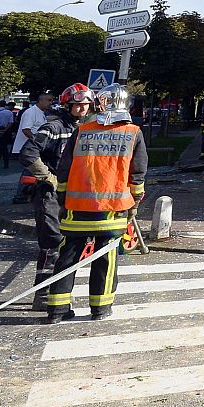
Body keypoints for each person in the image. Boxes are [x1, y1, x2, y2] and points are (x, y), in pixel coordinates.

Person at [44, 84, 147, 323]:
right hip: (112, 209)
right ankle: (100, 308)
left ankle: (57, 310)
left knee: (67, 256)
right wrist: (136, 201)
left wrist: (62, 198)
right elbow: (138, 173)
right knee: (106, 258)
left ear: (98, 104)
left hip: (76, 207)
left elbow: (64, 169)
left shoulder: (82, 130)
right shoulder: (132, 132)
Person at [19, 84, 90, 307]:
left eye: (86, 105)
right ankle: (41, 293)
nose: (82, 109)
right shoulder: (52, 127)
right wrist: (49, 178)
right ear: (68, 105)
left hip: (74, 194)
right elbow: (28, 154)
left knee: (70, 243)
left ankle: (59, 292)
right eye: (78, 105)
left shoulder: (87, 129)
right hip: (49, 193)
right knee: (52, 242)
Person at [12, 91, 56, 202]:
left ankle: (27, 195)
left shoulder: (41, 112)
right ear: (41, 100)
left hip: (33, 149)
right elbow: (26, 130)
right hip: (28, 149)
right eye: (49, 100)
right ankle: (20, 196)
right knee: (29, 171)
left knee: (32, 172)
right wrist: (36, 143)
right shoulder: (31, 112)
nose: (51, 103)